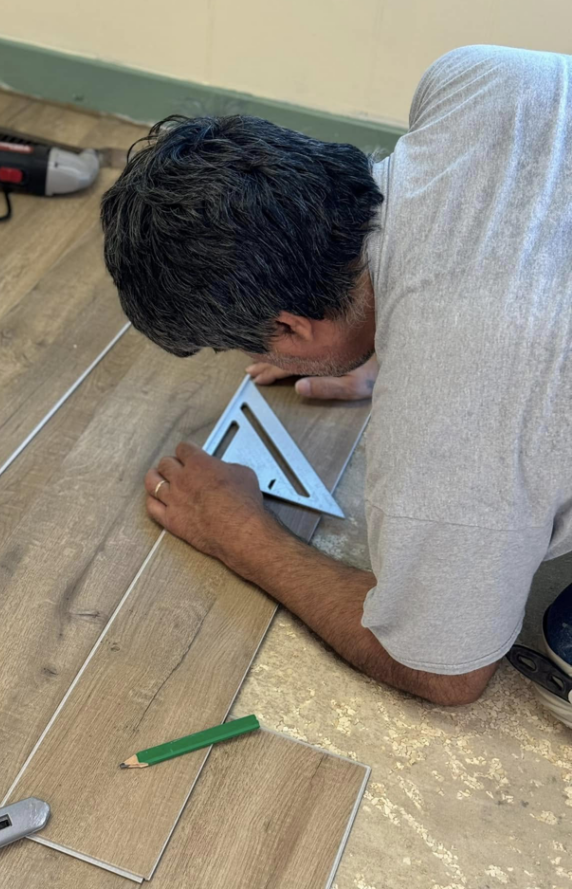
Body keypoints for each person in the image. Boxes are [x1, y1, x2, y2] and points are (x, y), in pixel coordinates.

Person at [100, 45, 572, 707]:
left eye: (244, 344)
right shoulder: (478, 79)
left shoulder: (444, 438)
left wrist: (241, 533)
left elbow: (444, 671)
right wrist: (395, 340)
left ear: (292, 329)